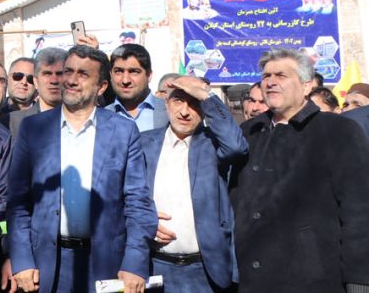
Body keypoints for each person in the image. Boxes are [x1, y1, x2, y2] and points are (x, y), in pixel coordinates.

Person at [7, 44, 157, 293]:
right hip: (46, 266)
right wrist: (21, 260)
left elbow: (138, 203)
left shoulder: (123, 131)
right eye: (69, 71)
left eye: (83, 74)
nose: (71, 80)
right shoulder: (34, 129)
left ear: (102, 86)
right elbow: (18, 203)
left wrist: (134, 261)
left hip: (105, 266)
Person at [231, 49, 369, 292]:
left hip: (312, 280)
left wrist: (359, 281)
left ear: (306, 86)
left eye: (281, 75)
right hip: (250, 278)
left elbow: (359, 212)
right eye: (266, 76)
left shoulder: (338, 131)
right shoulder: (248, 132)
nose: (271, 82)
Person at [141, 75, 248, 292]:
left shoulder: (213, 145)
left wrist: (206, 95)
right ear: (166, 103)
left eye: (194, 102)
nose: (184, 111)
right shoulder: (144, 143)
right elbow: (125, 197)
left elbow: (237, 147)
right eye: (178, 100)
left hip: (205, 272)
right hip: (155, 267)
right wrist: (144, 219)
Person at [107, 43, 168, 132]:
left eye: (134, 72)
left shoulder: (169, 111)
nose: (125, 80)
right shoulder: (100, 117)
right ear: (110, 75)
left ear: (149, 75)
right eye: (118, 71)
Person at [7, 47, 66, 137]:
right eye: (47, 74)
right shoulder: (11, 122)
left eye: (59, 74)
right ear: (36, 81)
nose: (54, 80)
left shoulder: (83, 120)